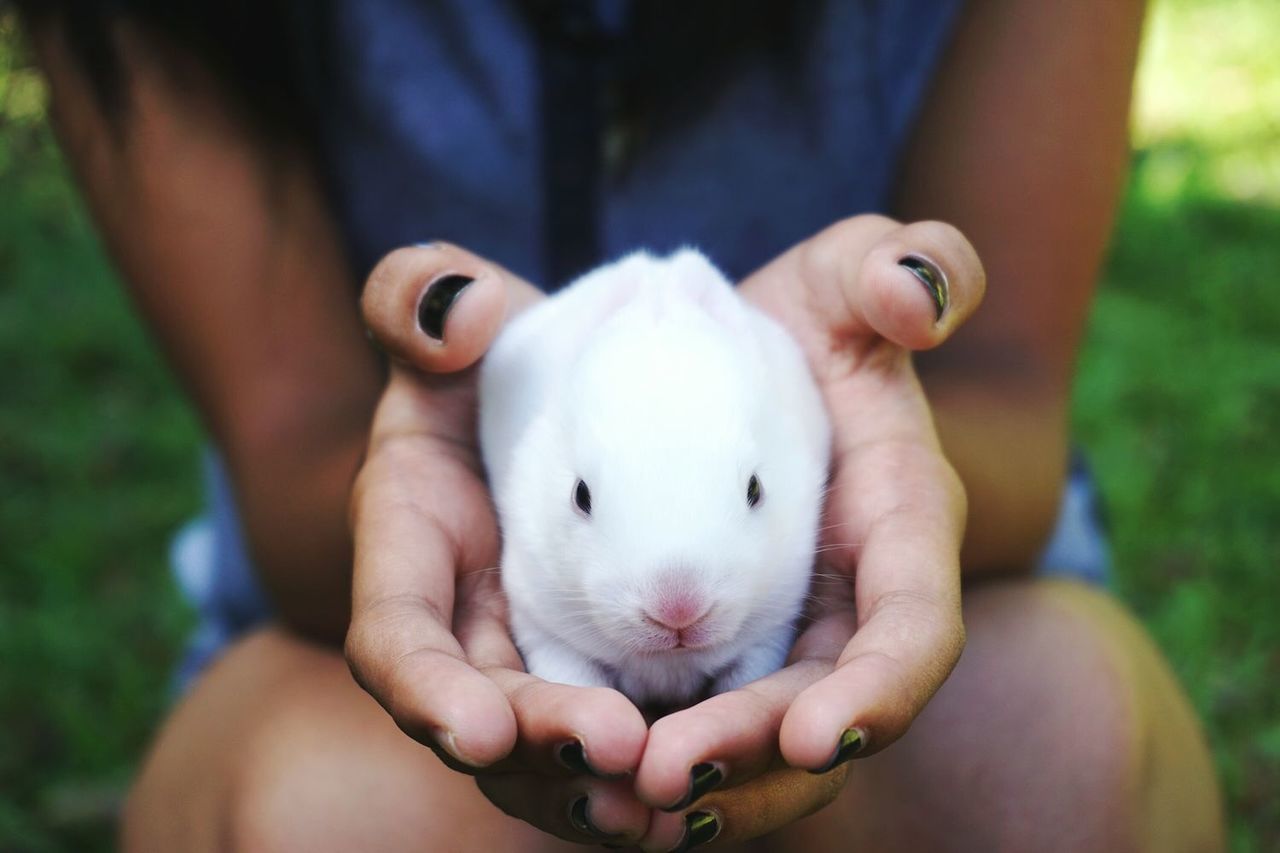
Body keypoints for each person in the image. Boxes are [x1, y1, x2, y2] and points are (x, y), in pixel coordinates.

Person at [18, 1, 1224, 850]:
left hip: (961, 595)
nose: (680, 601)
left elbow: (1006, 384)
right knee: (330, 813)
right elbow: (292, 468)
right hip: (331, 636)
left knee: (1060, 754)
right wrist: (456, 450)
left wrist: (864, 434)